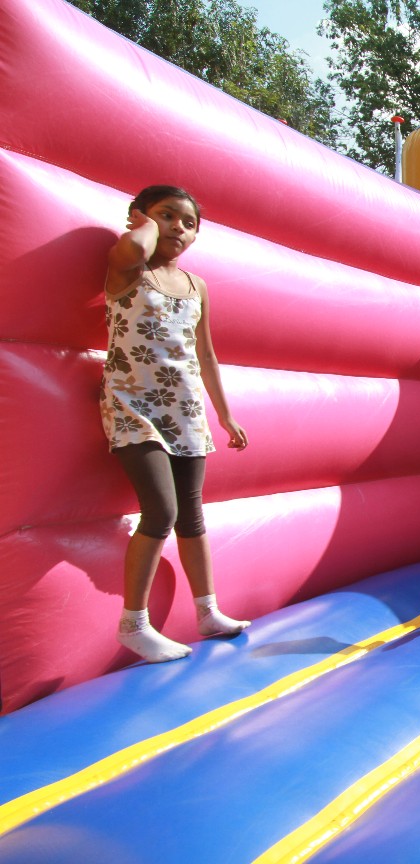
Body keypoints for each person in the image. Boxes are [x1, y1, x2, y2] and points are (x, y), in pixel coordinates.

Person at [99, 185, 251, 663]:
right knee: (161, 511)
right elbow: (135, 246)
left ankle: (207, 611)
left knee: (191, 515)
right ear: (139, 217)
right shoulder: (129, 266)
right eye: (167, 216)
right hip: (133, 404)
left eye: (189, 224)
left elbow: (206, 354)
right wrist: (144, 225)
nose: (179, 229)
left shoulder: (195, 285)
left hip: (183, 408)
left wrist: (224, 413)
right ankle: (133, 624)